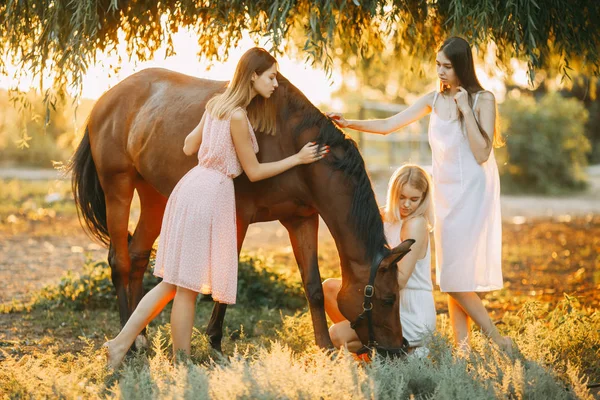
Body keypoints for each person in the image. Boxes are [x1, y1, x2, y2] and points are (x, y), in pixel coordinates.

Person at [103, 47, 329, 369]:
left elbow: (188, 146)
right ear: (253, 76)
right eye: (271, 77)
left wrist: (213, 149)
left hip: (191, 187)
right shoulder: (237, 115)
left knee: (174, 284)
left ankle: (119, 344)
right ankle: (181, 365)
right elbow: (253, 172)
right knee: (186, 289)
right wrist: (297, 158)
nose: (276, 84)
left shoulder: (215, 106)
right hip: (211, 193)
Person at [327, 37, 511, 352]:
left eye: (447, 66)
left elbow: (482, 153)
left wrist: (465, 109)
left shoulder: (483, 99)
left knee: (455, 280)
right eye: (438, 64)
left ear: (462, 67)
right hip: (444, 195)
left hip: (472, 195)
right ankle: (463, 354)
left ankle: (500, 342)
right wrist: (349, 124)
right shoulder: (432, 100)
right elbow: (389, 124)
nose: (440, 71)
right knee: (454, 278)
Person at [322, 164, 436, 356]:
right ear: (393, 193)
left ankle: (389, 356)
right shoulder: (384, 217)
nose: (407, 205)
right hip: (383, 301)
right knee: (329, 289)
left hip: (409, 308)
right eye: (401, 197)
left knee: (336, 334)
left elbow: (398, 281)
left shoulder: (416, 224)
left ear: (423, 198)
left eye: (414, 199)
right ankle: (375, 356)